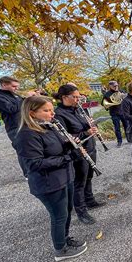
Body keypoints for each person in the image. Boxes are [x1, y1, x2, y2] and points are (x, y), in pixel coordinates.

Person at [16, 96, 87, 261]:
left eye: (51, 109)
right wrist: (69, 157)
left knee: (67, 212)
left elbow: (57, 147)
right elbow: (34, 164)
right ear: (32, 113)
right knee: (59, 216)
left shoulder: (48, 126)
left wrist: (71, 144)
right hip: (49, 183)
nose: (52, 113)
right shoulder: (26, 134)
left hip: (64, 177)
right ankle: (60, 250)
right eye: (46, 111)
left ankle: (64, 239)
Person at [54, 85, 105, 225]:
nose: (78, 99)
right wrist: (85, 133)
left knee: (89, 176)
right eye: (75, 97)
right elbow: (64, 136)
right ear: (64, 97)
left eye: (78, 97)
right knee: (79, 182)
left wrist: (93, 126)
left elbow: (87, 126)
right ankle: (81, 211)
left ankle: (90, 201)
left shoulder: (80, 110)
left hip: (90, 147)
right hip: (78, 151)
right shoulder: (59, 114)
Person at [0, 76, 36, 176]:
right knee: (23, 150)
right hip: (14, 127)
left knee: (33, 148)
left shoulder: (14, 95)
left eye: (17, 86)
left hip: (26, 123)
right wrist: (25, 99)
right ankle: (28, 174)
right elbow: (11, 109)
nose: (16, 88)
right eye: (14, 86)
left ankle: (35, 171)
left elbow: (24, 106)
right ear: (4, 85)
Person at [102, 80, 129, 147]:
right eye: (114, 86)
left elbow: (126, 100)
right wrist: (110, 104)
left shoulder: (121, 91)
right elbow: (104, 103)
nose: (116, 87)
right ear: (110, 86)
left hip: (123, 112)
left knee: (127, 126)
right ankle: (119, 142)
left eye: (117, 85)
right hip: (114, 113)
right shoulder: (107, 94)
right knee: (117, 128)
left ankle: (129, 139)